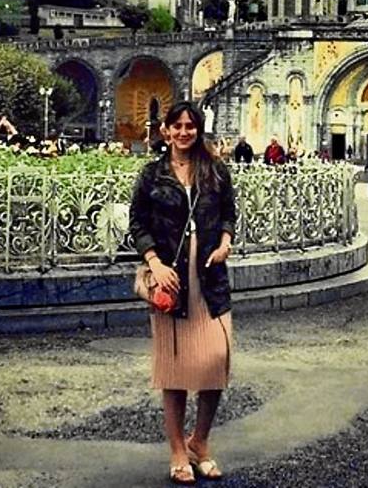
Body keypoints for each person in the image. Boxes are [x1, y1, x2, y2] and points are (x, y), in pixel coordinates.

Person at [129, 101, 236, 484]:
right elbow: (137, 223)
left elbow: (228, 213)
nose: (184, 132)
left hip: (210, 275)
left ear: (198, 129)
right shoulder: (152, 174)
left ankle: (200, 442)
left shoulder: (214, 170)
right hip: (171, 278)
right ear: (166, 131)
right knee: (174, 370)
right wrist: (155, 263)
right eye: (177, 126)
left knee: (215, 361)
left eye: (191, 126)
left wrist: (225, 242)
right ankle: (178, 450)